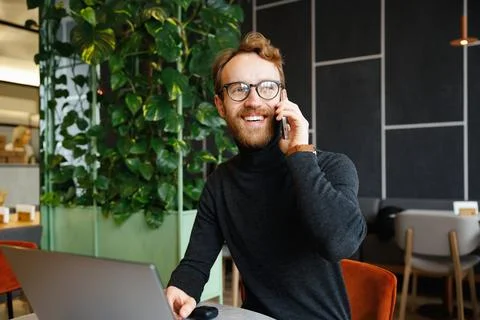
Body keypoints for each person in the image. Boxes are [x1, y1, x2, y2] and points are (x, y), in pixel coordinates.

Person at [166, 32, 367, 320]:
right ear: (221, 104)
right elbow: (196, 264)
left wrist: (300, 153)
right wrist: (180, 289)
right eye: (238, 89)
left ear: (283, 99)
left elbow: (339, 243)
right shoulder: (220, 184)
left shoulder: (331, 166)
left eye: (267, 88)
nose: (253, 100)